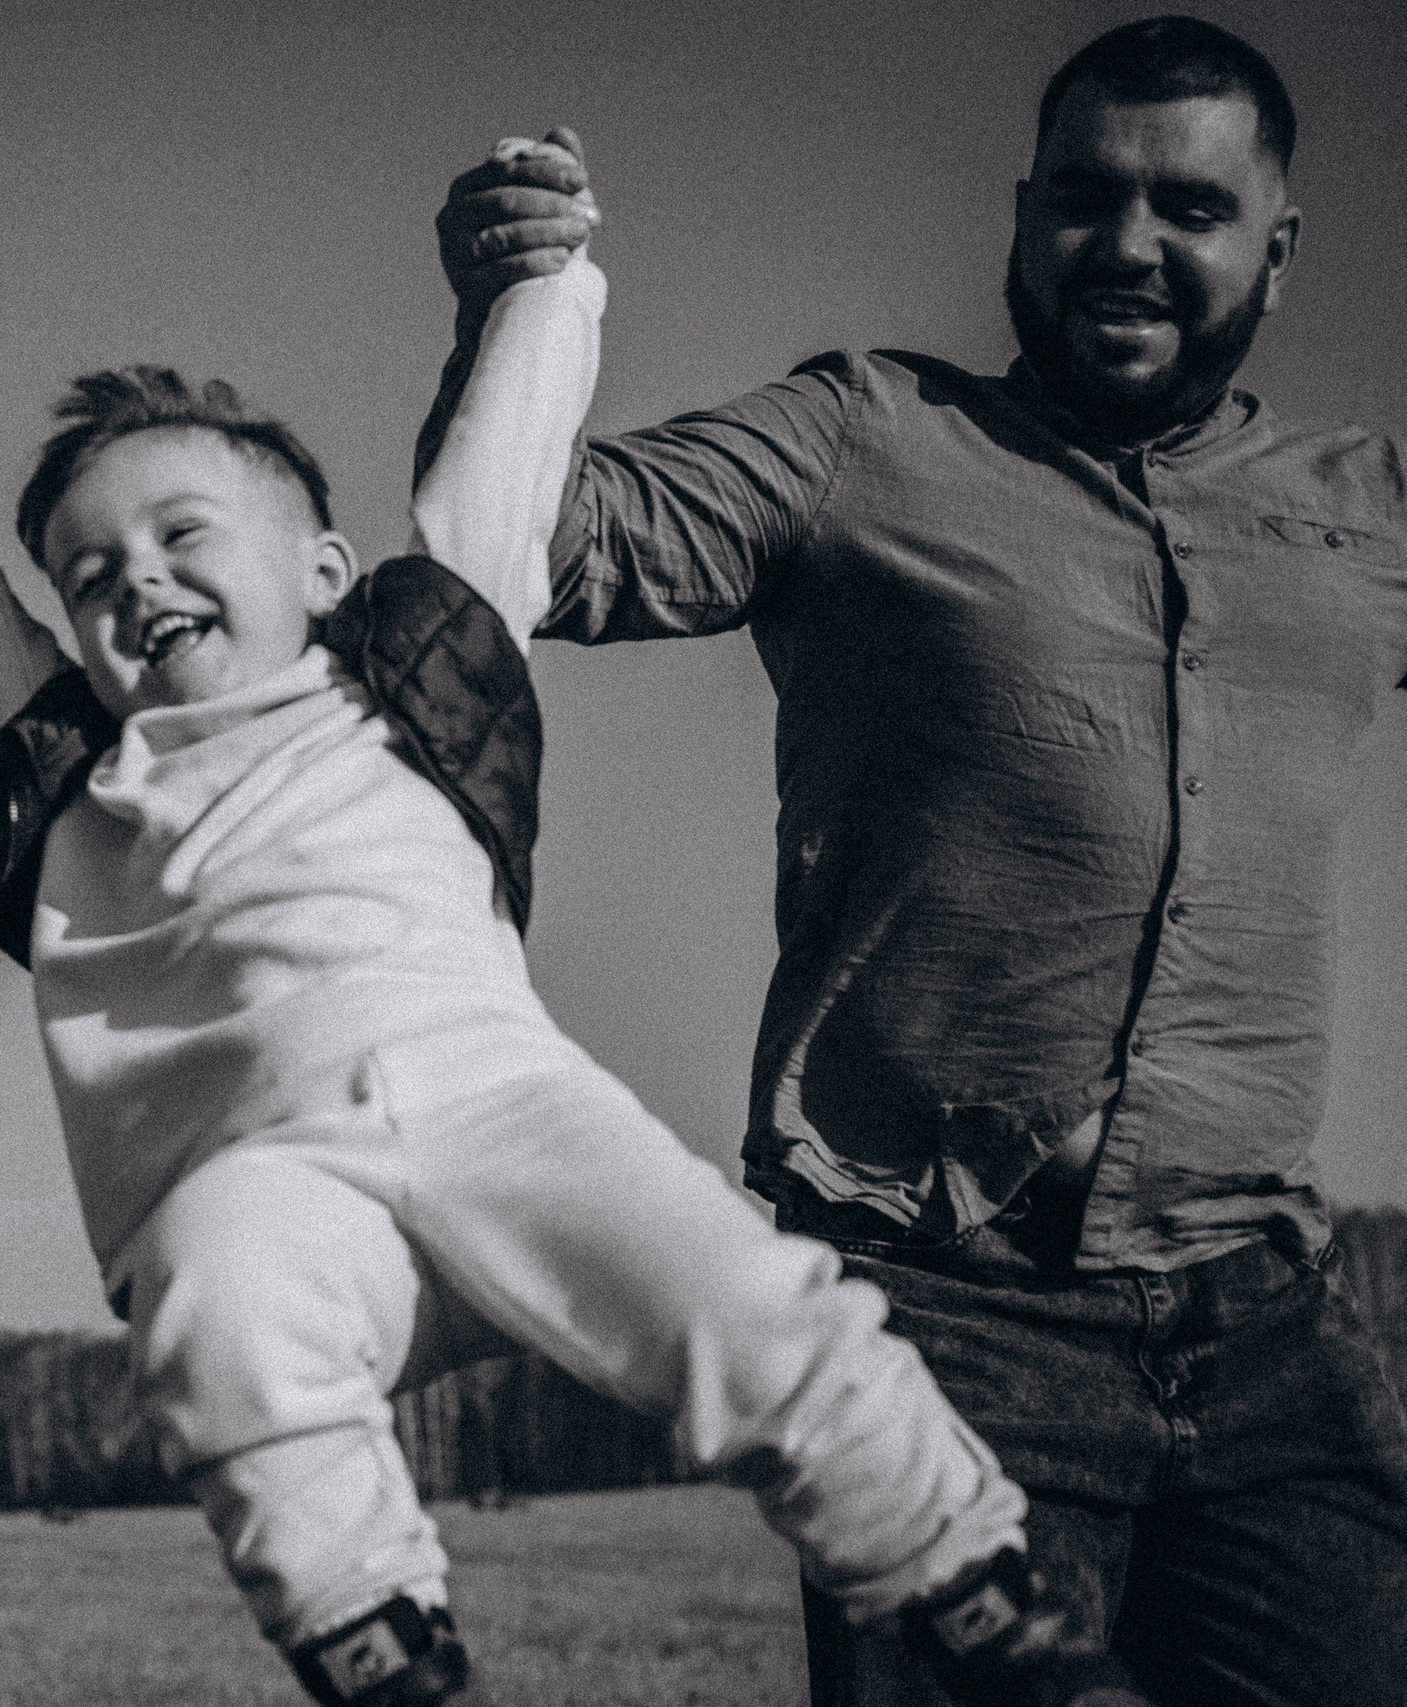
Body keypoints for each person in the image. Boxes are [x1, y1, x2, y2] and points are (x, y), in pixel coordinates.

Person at [0, 135, 1138, 1707]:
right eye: (91, 572)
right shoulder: (68, 768)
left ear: (318, 568)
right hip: (260, 1189)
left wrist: (543, 282)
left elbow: (497, 481)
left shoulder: (415, 673)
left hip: (505, 1119)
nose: (134, 581)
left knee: (754, 1307)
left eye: (182, 536)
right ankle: (384, 1646)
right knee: (220, 1324)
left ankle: (982, 1596)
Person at [436, 17, 1407, 1705]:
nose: (1131, 246)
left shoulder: (1368, 507)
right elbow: (540, 545)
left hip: (1271, 1327)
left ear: (1277, 245)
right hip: (950, 1331)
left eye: (1191, 209)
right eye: (1090, 200)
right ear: (1025, 215)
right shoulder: (861, 437)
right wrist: (517, 311)